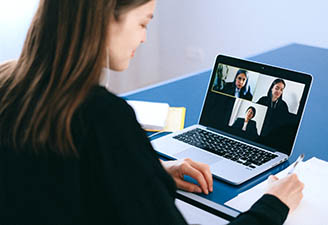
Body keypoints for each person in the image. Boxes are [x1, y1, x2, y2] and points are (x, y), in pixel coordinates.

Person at [0, 1, 303, 224]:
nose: (144, 38)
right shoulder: (103, 116)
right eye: (143, 23)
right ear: (105, 18)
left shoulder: (8, 82)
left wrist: (151, 173)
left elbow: (59, 176)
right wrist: (273, 205)